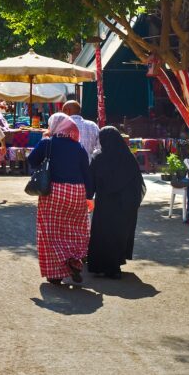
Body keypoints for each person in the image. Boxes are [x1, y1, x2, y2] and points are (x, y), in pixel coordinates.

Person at [27, 114, 93, 285]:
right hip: (77, 193)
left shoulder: (47, 143)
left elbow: (32, 160)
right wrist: (89, 196)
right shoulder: (78, 147)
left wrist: (43, 140)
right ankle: (75, 260)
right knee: (76, 229)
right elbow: (87, 174)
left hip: (53, 193)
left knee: (50, 232)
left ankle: (55, 274)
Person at [87, 126, 145, 279]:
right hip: (124, 205)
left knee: (102, 233)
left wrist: (88, 196)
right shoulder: (129, 158)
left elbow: (91, 183)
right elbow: (137, 183)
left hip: (105, 203)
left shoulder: (98, 158)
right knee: (118, 233)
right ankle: (114, 267)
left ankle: (99, 266)